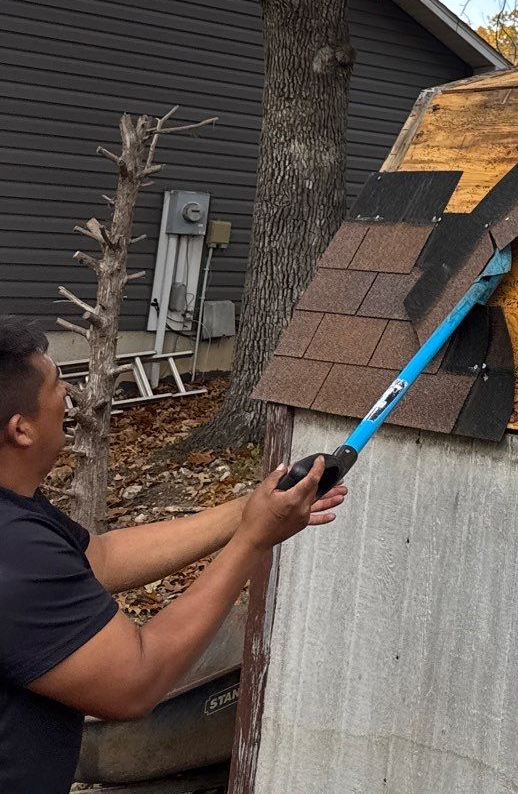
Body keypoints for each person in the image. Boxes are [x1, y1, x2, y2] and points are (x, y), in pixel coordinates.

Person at [0, 321, 345, 794]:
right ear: (20, 430)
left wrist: (250, 509)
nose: (69, 395)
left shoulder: (15, 510)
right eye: (58, 384)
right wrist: (252, 542)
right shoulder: (15, 553)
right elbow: (135, 680)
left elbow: (98, 558)